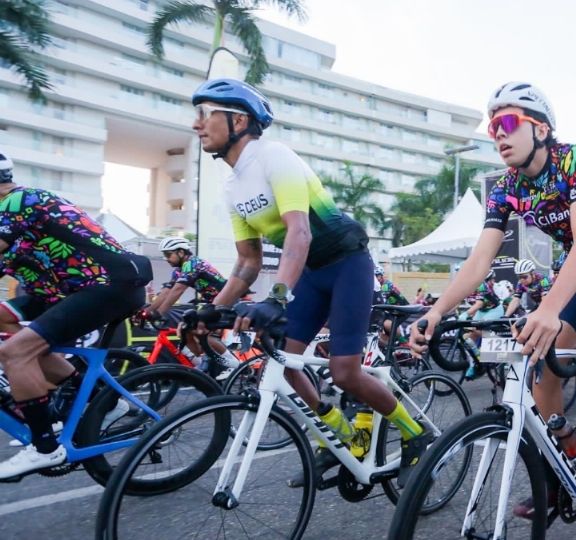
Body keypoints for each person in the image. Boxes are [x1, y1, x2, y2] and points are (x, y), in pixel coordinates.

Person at [411, 82, 576, 514]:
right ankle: (564, 459)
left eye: (506, 123)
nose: (497, 134)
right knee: (543, 365)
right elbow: (481, 259)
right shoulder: (505, 187)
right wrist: (438, 310)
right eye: (492, 128)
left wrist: (549, 309)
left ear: (539, 128)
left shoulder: (575, 159)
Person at [188, 78, 430, 488]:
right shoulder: (231, 188)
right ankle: (343, 435)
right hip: (311, 274)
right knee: (281, 363)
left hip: (346, 263)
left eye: (205, 113)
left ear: (238, 119)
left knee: (344, 371)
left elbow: (299, 232)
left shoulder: (273, 156)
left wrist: (277, 298)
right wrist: (209, 310)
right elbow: (247, 263)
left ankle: (415, 433)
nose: (197, 125)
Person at [0, 148, 153, 478]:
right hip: (70, 290)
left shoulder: (20, 201)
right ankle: (105, 401)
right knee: (18, 341)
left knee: (15, 352)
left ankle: (44, 448)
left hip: (109, 283)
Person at [145, 236, 237, 378]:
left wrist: (159, 313)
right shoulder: (178, 270)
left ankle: (233, 364)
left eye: (168, 255)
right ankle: (201, 363)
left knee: (201, 331)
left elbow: (178, 290)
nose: (166, 259)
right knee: (184, 329)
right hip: (211, 303)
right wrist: (147, 311)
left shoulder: (194, 263)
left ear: (181, 252)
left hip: (227, 301)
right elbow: (166, 292)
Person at [461, 269, 505, 380]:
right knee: (467, 337)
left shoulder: (481, 285)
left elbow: (479, 303)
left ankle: (496, 346)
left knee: (477, 328)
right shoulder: (463, 287)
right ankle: (475, 363)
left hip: (494, 310)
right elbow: (455, 302)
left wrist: (466, 313)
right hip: (482, 311)